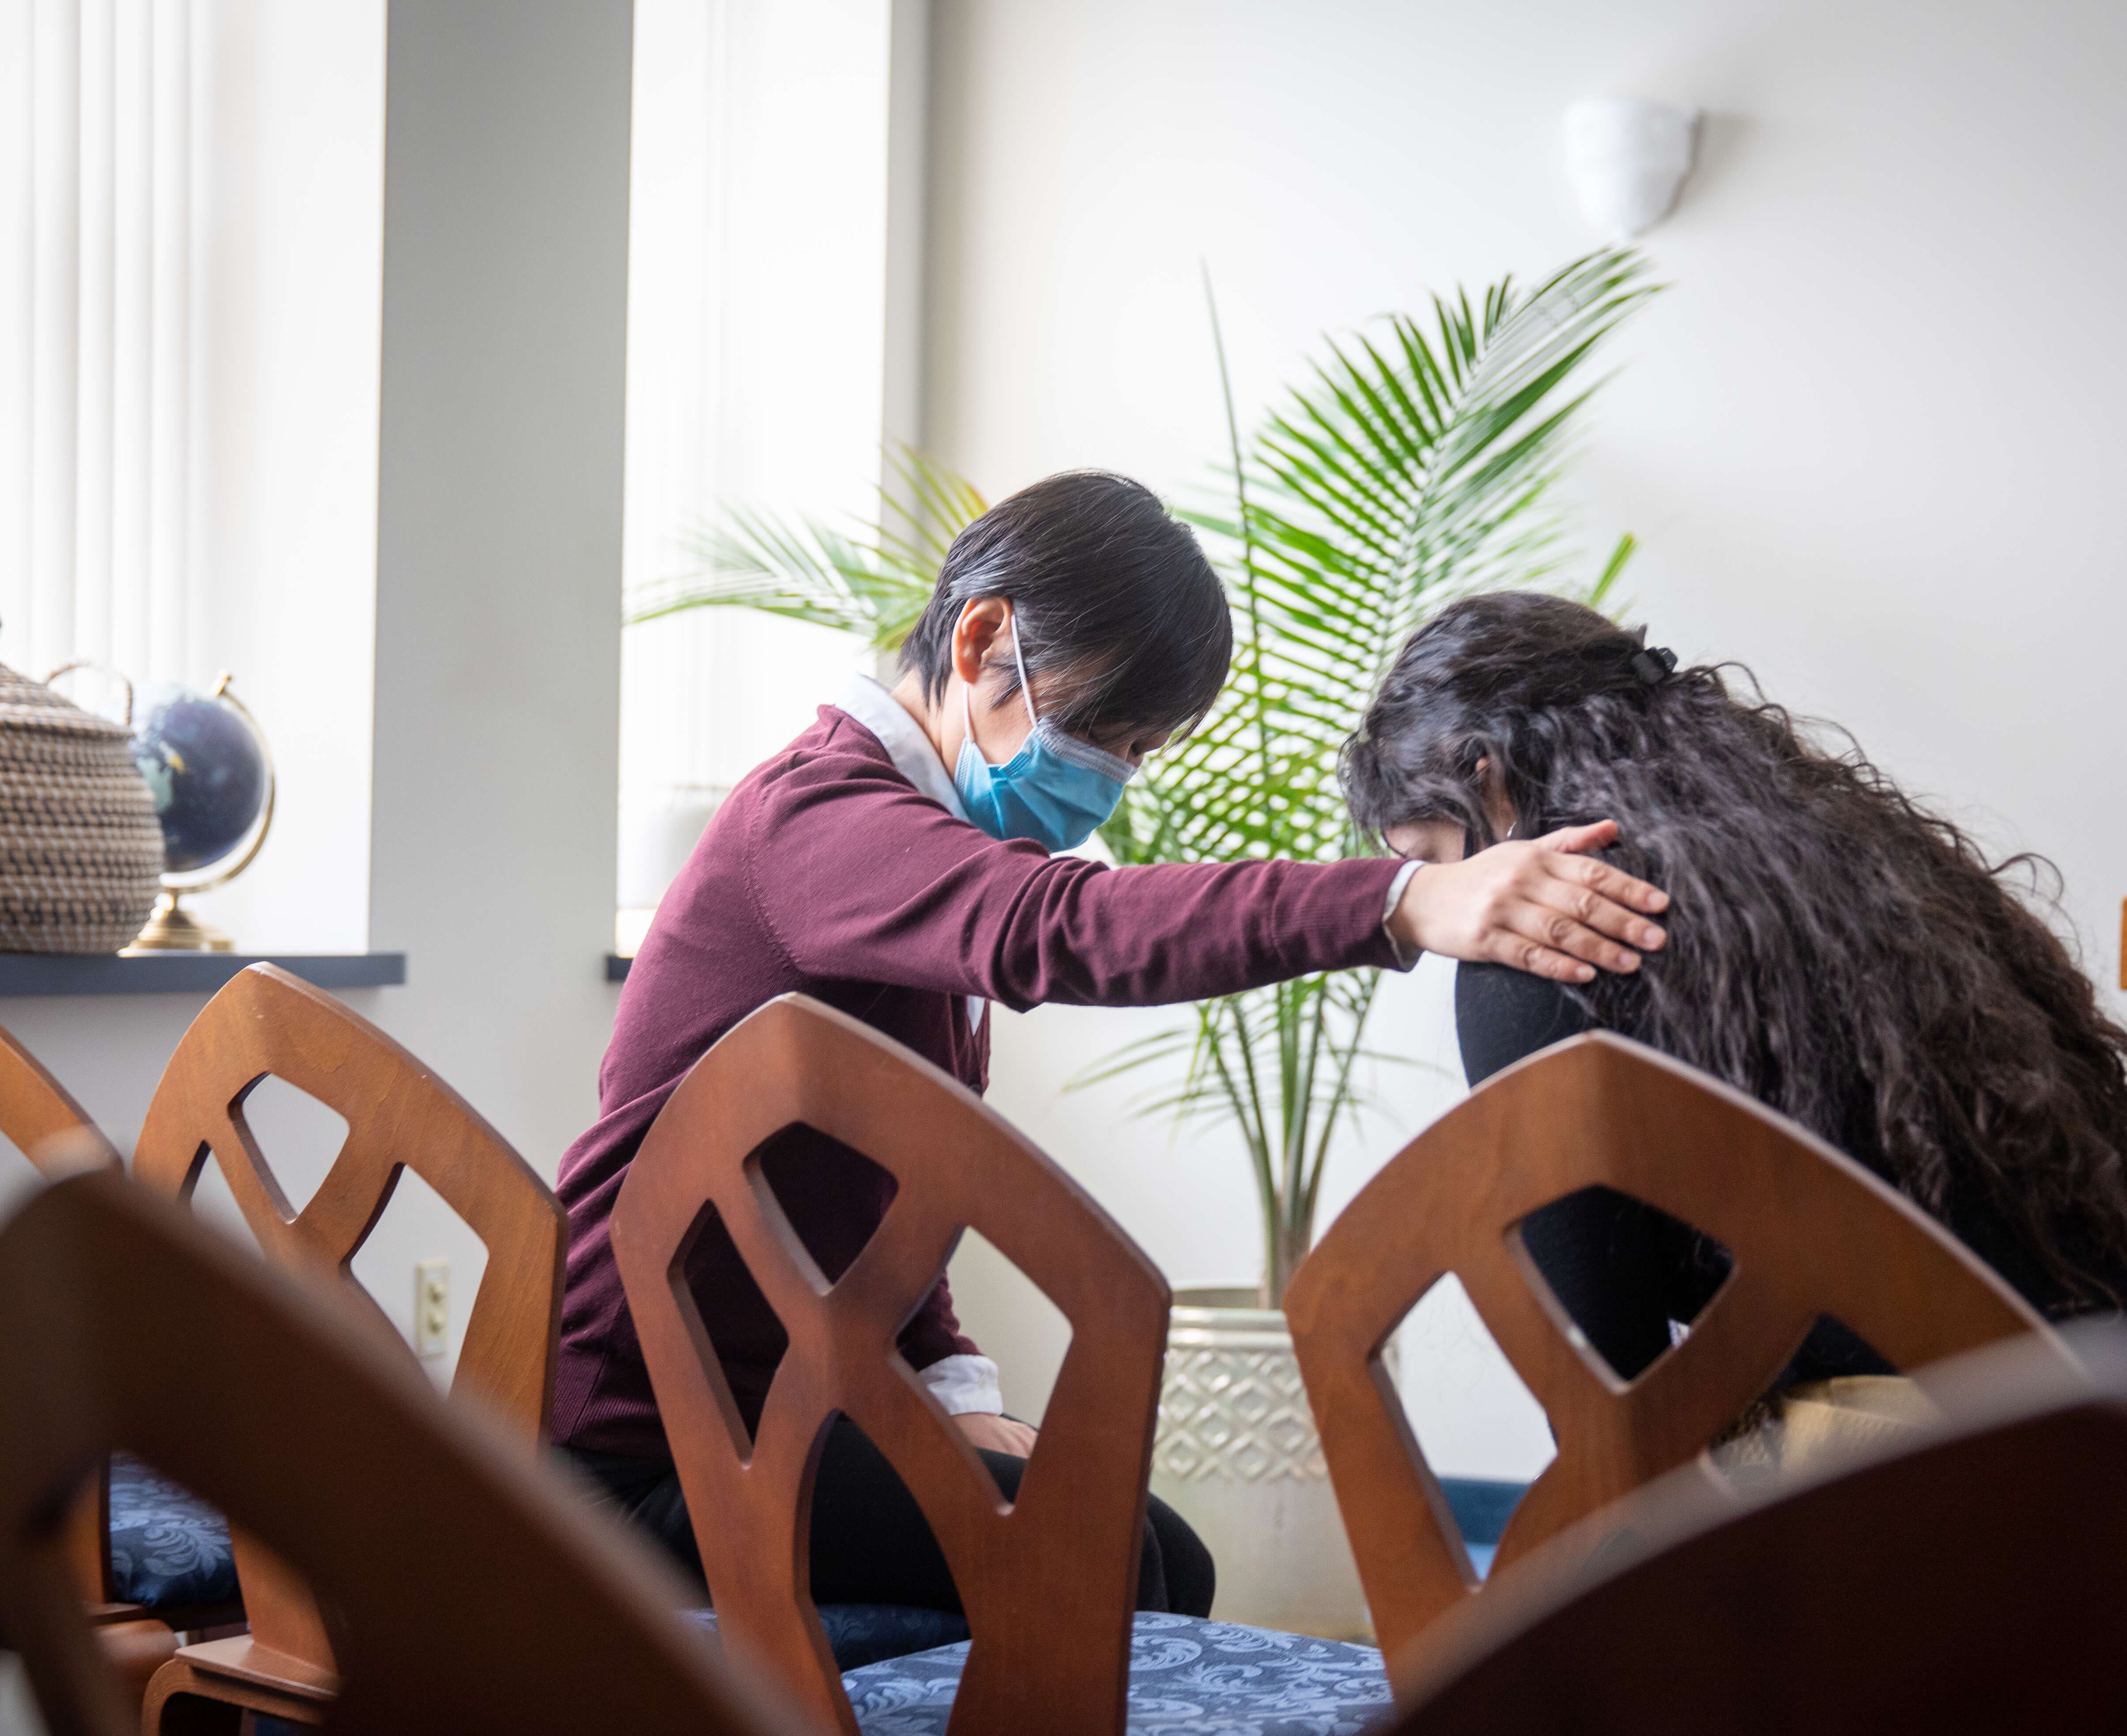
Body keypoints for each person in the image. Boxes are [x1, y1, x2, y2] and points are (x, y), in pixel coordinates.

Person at [555, 478, 1670, 1617]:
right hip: (639, 1451)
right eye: (1100, 733)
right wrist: (1404, 900)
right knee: (1118, 1563)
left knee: (1162, 1553)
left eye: (1138, 750)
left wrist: (957, 1392)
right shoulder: (818, 819)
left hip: (770, 1419)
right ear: (983, 636)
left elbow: (885, 1193)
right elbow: (1058, 925)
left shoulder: (911, 857)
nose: (1108, 781)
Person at [1337, 590, 2127, 1402]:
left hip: (1972, 1489)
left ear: (1488, 776)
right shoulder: (1841, 860)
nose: (1442, 905)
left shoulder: (1540, 944)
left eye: (1427, 864)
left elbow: (1605, 1389)